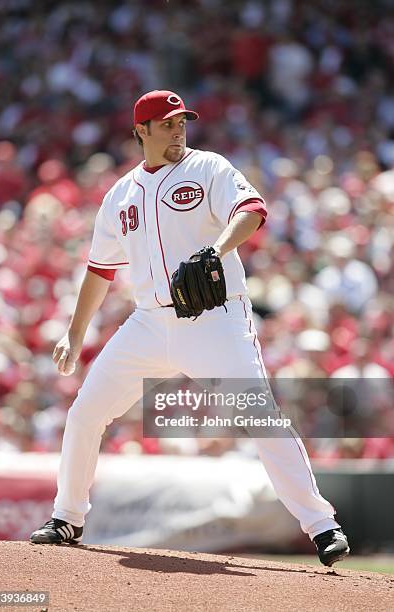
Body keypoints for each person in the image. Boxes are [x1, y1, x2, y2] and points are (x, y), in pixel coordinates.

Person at [30, 90, 349, 566]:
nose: (178, 130)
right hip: (148, 322)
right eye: (167, 123)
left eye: (182, 122)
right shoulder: (120, 195)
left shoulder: (209, 168)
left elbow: (252, 211)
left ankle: (322, 525)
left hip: (214, 319)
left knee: (259, 415)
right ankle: (68, 516)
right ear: (141, 131)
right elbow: (100, 269)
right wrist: (75, 334)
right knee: (84, 413)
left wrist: (215, 251)